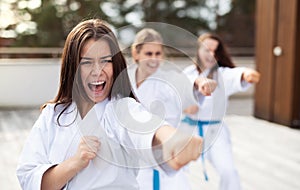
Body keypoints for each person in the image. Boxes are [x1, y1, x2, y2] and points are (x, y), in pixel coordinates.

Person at [16, 19, 203, 190]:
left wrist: (172, 138)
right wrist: (74, 163)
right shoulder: (53, 115)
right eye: (87, 62)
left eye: (106, 61)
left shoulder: (120, 108)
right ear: (73, 67)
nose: (98, 71)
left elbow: (144, 123)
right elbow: (30, 178)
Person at [182, 33, 260, 190]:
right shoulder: (188, 73)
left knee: (228, 171)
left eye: (216, 51)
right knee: (179, 171)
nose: (211, 55)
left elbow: (237, 74)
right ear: (198, 50)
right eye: (207, 50)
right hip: (187, 129)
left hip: (215, 131)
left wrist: (247, 74)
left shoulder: (222, 74)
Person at [128, 28, 193, 190]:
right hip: (134, 157)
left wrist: (198, 88)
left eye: (158, 54)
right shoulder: (124, 79)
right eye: (149, 54)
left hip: (165, 154)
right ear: (136, 53)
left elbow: (187, 90)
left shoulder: (168, 80)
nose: (154, 59)